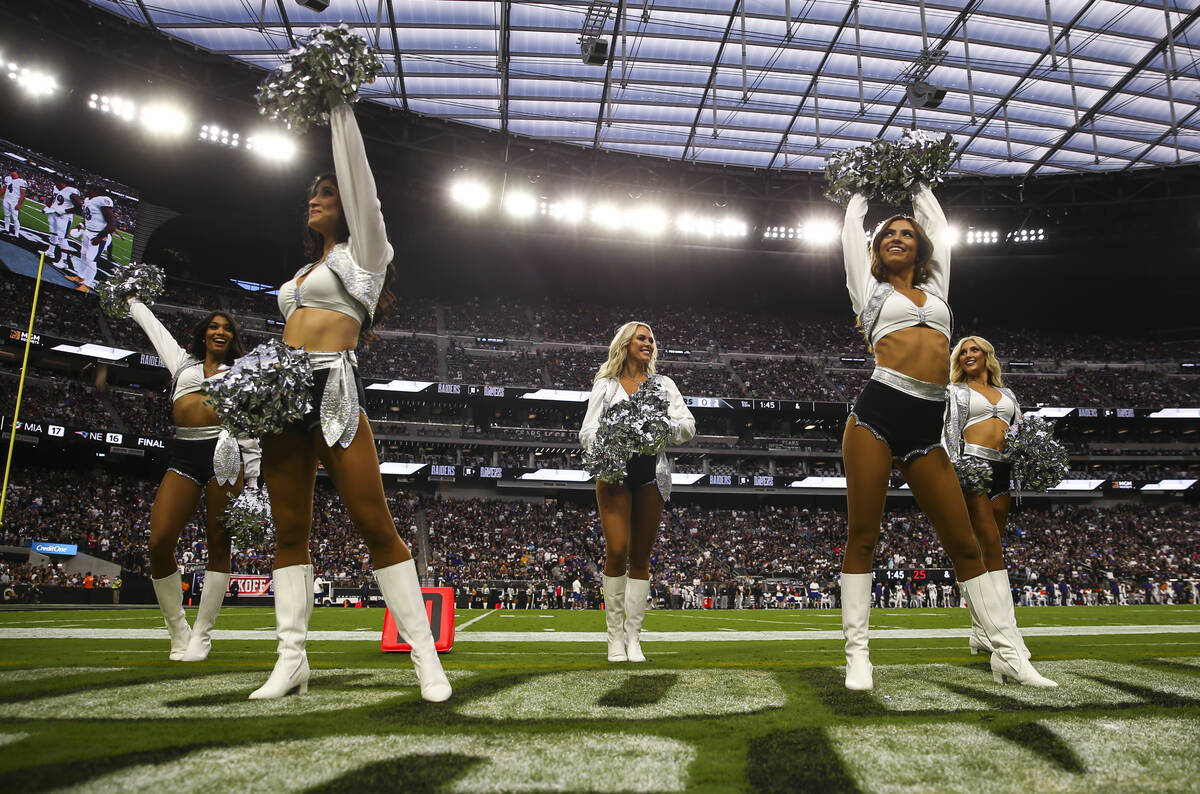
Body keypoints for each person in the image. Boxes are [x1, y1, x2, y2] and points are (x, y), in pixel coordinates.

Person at [253, 95, 450, 702]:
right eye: (311, 194)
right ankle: (291, 659)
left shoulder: (366, 253)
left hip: (332, 386)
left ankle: (425, 658)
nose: (314, 200)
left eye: (327, 195)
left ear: (351, 209)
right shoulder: (306, 269)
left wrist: (338, 106)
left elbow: (361, 180)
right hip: (284, 390)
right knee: (290, 529)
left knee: (374, 523)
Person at [838, 187, 1054, 690]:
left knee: (965, 543)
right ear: (875, 250)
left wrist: (917, 185)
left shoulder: (938, 293)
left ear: (921, 248)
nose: (897, 238)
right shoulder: (868, 293)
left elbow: (937, 225)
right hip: (876, 414)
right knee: (863, 536)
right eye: (887, 235)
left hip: (926, 426)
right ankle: (858, 657)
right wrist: (860, 195)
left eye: (906, 234)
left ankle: (1006, 653)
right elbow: (851, 232)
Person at [126, 295, 259, 661]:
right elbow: (155, 329)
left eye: (227, 328)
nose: (220, 331)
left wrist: (253, 484)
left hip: (225, 455)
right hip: (184, 454)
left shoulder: (243, 373)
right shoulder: (183, 363)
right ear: (204, 335)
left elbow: (250, 431)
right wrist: (132, 299)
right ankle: (178, 631)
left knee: (220, 544)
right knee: (159, 542)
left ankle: (203, 634)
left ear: (233, 338)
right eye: (214, 326)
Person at [579, 321, 696, 662]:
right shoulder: (606, 385)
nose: (648, 343)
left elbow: (688, 426)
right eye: (641, 338)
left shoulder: (664, 385)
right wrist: (617, 435)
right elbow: (587, 433)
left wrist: (658, 427)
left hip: (650, 476)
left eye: (651, 339)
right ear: (626, 343)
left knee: (641, 557)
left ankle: (634, 638)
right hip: (613, 474)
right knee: (617, 550)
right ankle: (613, 638)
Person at [944, 335, 1033, 660]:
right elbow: (949, 432)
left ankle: (981, 632)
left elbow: (1019, 430)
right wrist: (957, 470)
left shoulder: (1007, 394)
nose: (968, 355)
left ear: (986, 356)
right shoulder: (955, 391)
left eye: (974, 350)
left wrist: (1031, 452)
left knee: (989, 549)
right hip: (973, 466)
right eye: (963, 352)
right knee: (992, 548)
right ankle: (1009, 636)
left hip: (1002, 471)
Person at [68, 185, 116, 291]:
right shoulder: (88, 200)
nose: (85, 191)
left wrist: (100, 237)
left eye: (88, 189)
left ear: (94, 191)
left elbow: (112, 223)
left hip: (98, 235)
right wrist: (81, 225)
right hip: (88, 232)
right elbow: (89, 217)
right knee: (83, 255)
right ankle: (81, 277)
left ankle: (87, 285)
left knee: (91, 260)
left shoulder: (103, 200)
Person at [42, 179, 79, 265]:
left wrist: (63, 211)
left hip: (65, 217)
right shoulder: (59, 189)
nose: (56, 186)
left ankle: (64, 261)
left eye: (58, 183)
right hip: (54, 213)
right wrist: (48, 208)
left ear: (63, 183)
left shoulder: (71, 190)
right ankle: (51, 252)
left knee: (62, 238)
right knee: (53, 234)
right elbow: (54, 200)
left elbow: (78, 208)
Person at [1, 169, 26, 238]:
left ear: (16, 172)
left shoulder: (21, 182)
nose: (11, 173)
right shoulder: (7, 178)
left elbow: (23, 194)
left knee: (15, 218)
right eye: (10, 172)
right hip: (6, 199)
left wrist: (19, 204)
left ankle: (16, 234)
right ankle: (6, 229)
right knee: (6, 215)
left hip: (14, 201)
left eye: (12, 172)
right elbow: (3, 189)